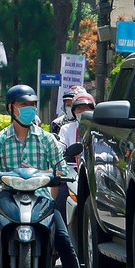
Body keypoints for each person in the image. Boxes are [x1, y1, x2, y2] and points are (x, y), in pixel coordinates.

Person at [0, 84, 91, 268]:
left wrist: (42, 173)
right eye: (23, 104)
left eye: (32, 105)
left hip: (41, 197)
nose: (28, 109)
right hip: (9, 195)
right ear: (11, 108)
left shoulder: (47, 139)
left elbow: (62, 172)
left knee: (65, 242)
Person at [56, 91, 96, 223]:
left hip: (95, 172)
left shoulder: (99, 130)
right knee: (61, 195)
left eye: (87, 108)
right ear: (73, 111)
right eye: (79, 108)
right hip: (72, 171)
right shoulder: (66, 129)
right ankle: (61, 228)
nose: (83, 111)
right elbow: (60, 148)